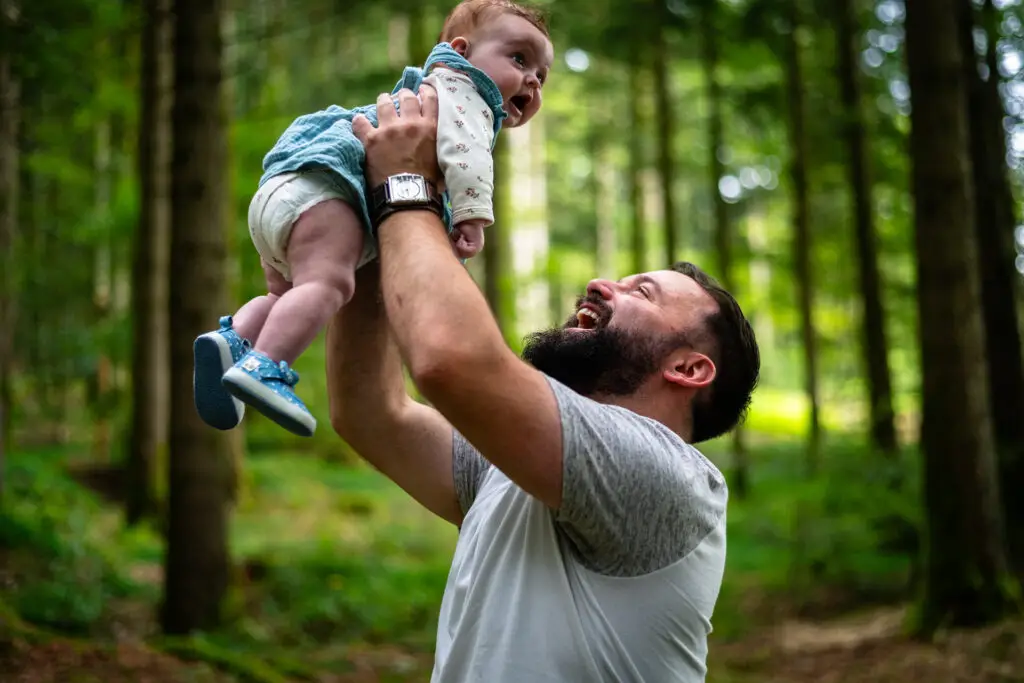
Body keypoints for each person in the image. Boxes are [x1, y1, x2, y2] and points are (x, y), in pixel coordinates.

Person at [327, 85, 761, 682]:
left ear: (688, 370)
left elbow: (450, 361)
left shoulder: (665, 478)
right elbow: (371, 414)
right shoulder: (519, 472)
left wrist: (404, 189)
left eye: (642, 293)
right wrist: (372, 229)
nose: (601, 285)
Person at [191, 0, 553, 438]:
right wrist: (472, 217)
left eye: (541, 76)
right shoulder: (466, 95)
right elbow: (467, 158)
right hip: (327, 191)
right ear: (460, 51)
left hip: (283, 192)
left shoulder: (425, 94)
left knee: (287, 292)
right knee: (330, 285)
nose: (532, 80)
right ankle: (266, 365)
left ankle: (234, 341)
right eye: (519, 59)